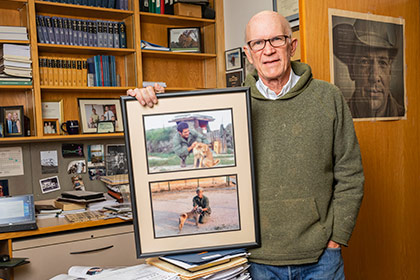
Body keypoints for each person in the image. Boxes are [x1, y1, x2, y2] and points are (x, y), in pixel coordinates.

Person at [127, 11, 364, 279]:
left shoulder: (328, 97)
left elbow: (350, 176)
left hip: (321, 259)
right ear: (248, 53)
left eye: (276, 39)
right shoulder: (231, 105)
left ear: (292, 45)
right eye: (258, 43)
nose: (268, 50)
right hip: (254, 260)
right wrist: (147, 103)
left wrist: (336, 239)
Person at [333, 19, 405, 118]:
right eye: (364, 62)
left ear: (390, 72)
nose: (375, 77)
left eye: (382, 63)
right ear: (351, 69)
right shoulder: (339, 119)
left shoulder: (406, 116)